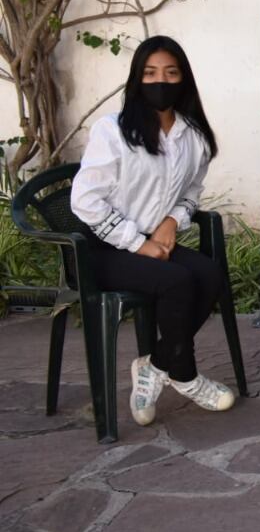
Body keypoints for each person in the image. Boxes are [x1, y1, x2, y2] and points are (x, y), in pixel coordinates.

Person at [70, 36, 234, 426]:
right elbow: (84, 202)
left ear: (184, 80)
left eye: (170, 73)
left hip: (155, 239)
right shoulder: (112, 130)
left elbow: (191, 191)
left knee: (209, 274)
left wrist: (171, 221)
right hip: (102, 249)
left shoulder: (193, 135)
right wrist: (136, 242)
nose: (160, 81)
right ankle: (184, 374)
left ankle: (155, 365)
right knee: (177, 281)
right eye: (150, 73)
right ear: (136, 79)